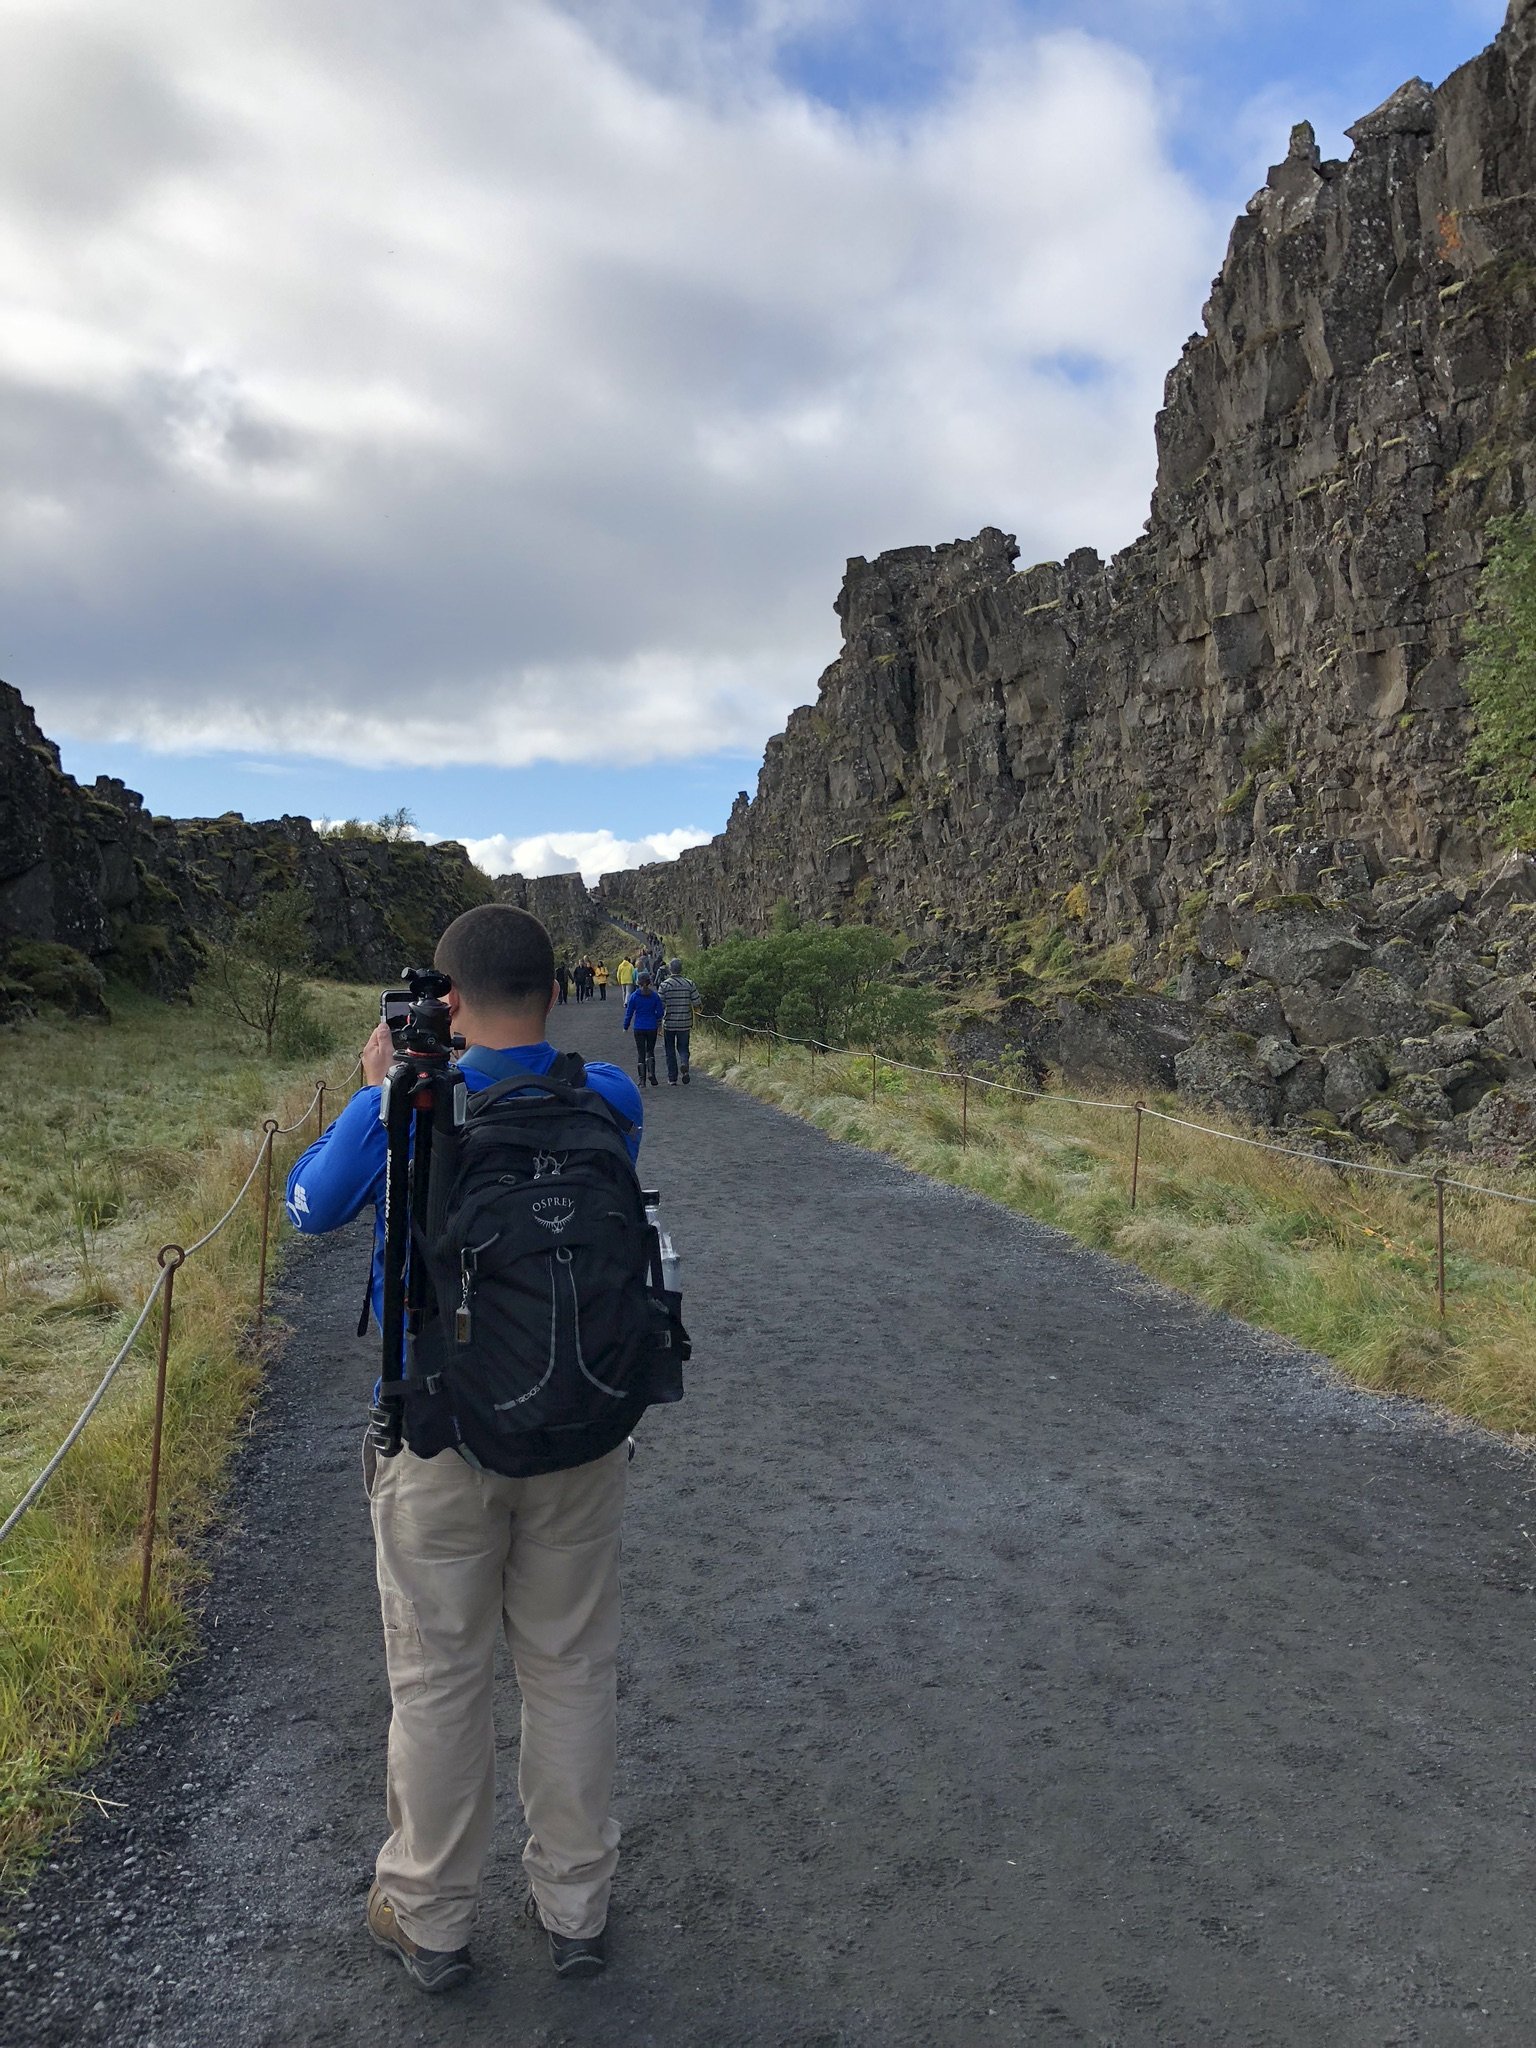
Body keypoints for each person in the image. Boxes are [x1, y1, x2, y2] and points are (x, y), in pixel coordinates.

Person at [284, 905, 650, 1995]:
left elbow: (311, 1206)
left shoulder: (402, 1103)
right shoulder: (610, 1098)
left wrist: (375, 1082)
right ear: (552, 988)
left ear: (442, 998)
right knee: (570, 1665)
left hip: (438, 1436)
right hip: (582, 1431)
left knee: (439, 1679)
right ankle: (576, 1903)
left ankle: (431, 1915)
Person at [657, 958, 700, 1086]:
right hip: (685, 1022)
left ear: (670, 969)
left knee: (669, 1050)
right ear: (681, 969)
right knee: (683, 1047)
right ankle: (684, 1064)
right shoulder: (689, 983)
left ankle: (672, 1078)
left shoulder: (664, 985)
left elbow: (660, 1006)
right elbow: (697, 1002)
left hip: (669, 1023)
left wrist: (659, 1024)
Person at [622, 971, 663, 1088]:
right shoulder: (654, 996)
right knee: (650, 1051)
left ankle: (642, 1080)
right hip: (651, 1027)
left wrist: (626, 1026)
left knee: (641, 1053)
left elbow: (629, 1013)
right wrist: (656, 1019)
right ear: (649, 982)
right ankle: (651, 1073)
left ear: (638, 983)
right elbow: (660, 1012)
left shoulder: (634, 996)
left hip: (639, 1027)